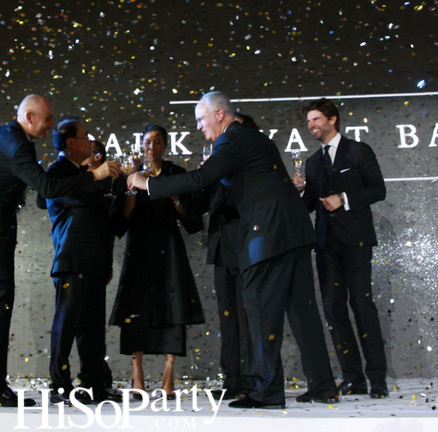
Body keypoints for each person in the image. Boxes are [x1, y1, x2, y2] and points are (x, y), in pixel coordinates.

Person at [128, 92, 337, 408]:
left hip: (269, 237)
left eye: (201, 119)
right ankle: (323, 386)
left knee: (260, 309)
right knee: (303, 312)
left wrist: (147, 183)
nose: (199, 127)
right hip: (292, 232)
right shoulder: (253, 139)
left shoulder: (232, 141)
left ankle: (267, 391)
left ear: (219, 115)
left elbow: (200, 179)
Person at [0, 94, 122, 408]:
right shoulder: (18, 145)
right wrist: (92, 175)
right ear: (29, 117)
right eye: (47, 119)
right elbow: (47, 189)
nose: (51, 126)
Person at [295, 98, 389, 399]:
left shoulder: (358, 151)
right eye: (308, 121)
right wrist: (299, 191)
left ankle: (377, 378)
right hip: (325, 245)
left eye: (316, 119)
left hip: (356, 241)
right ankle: (353, 377)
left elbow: (378, 189)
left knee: (362, 307)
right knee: (334, 312)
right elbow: (309, 205)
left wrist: (344, 199)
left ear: (332, 120)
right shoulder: (312, 162)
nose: (311, 126)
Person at [109, 124, 204, 395]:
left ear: (165, 145)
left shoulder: (177, 174)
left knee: (173, 309)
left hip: (169, 247)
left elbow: (191, 219)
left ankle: (168, 376)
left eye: (158, 142)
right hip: (138, 246)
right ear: (142, 145)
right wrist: (131, 187)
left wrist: (174, 196)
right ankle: (137, 375)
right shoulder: (131, 173)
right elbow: (121, 221)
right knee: (136, 308)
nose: (152, 147)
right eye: (148, 142)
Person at [41, 118, 122, 404]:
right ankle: (59, 386)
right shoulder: (57, 171)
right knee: (67, 324)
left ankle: (92, 384)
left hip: (96, 260)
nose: (91, 142)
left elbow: (106, 212)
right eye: (86, 137)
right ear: (71, 143)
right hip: (71, 258)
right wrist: (96, 178)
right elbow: (75, 198)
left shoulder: (89, 173)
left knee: (92, 327)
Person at [201, 112, 257, 398]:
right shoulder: (218, 167)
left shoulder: (248, 170)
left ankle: (250, 376)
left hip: (246, 246)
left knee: (247, 314)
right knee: (228, 317)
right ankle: (231, 377)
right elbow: (203, 205)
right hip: (222, 249)